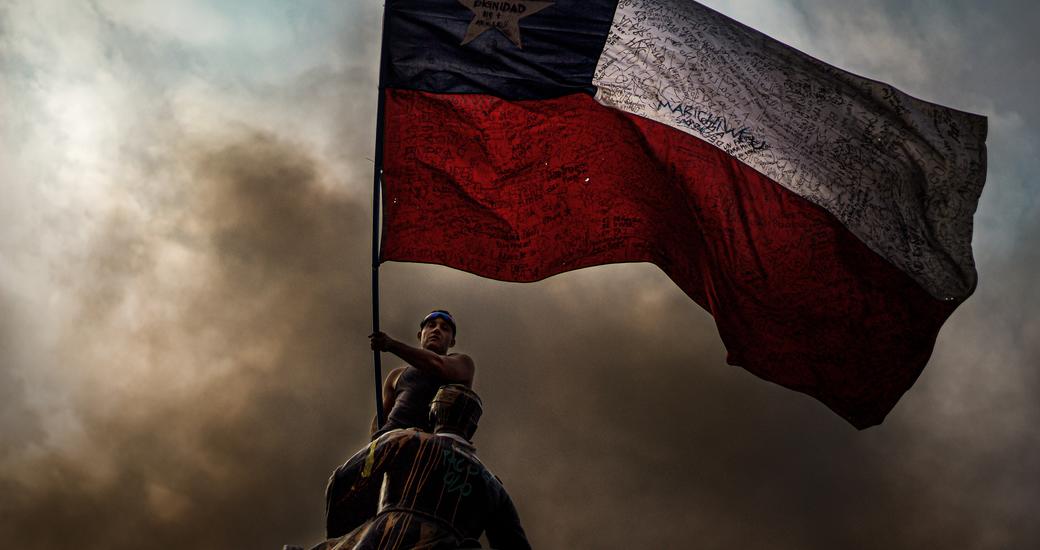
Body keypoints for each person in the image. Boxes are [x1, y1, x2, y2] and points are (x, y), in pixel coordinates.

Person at [323, 384, 530, 550]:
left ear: (432, 414)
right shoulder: (494, 487)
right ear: (472, 427)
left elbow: (342, 479)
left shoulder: (403, 439)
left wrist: (350, 533)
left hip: (380, 539)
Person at [369, 310, 475, 437]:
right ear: (420, 335)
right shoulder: (396, 375)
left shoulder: (463, 363)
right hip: (390, 442)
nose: (436, 330)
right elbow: (380, 418)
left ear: (452, 341)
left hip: (431, 447)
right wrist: (374, 443)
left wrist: (392, 345)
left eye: (445, 328)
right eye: (431, 325)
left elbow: (437, 364)